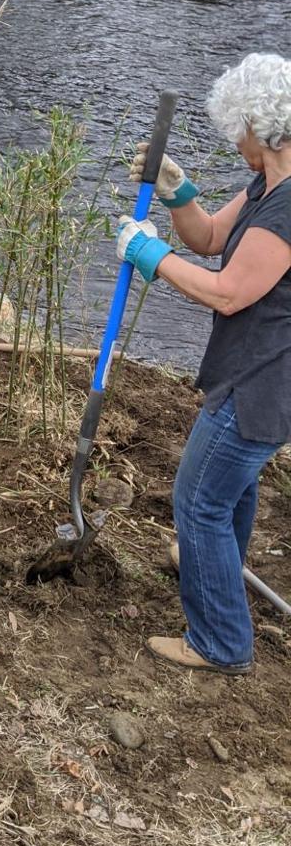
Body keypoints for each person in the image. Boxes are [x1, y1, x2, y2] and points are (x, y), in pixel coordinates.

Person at [116, 53, 291, 674]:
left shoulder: (289, 206)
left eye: (236, 128)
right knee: (231, 494)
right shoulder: (267, 187)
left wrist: (146, 254)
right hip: (251, 374)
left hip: (263, 385)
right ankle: (213, 569)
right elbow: (212, 240)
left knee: (198, 501)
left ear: (258, 126)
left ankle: (219, 643)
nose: (233, 139)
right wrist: (177, 193)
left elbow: (227, 291)